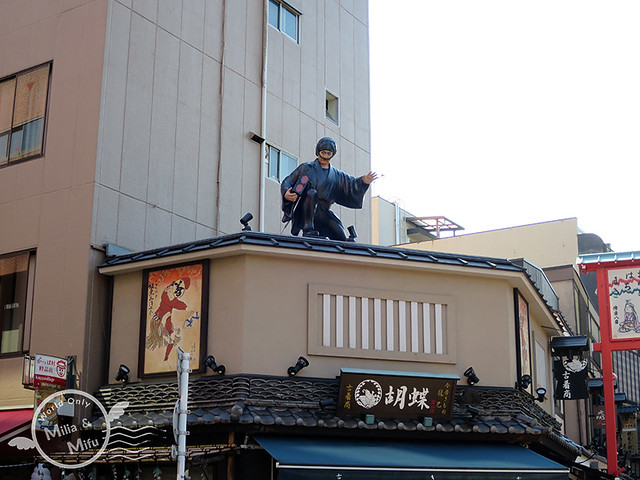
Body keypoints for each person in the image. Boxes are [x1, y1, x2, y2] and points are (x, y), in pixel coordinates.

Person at [281, 137, 377, 241]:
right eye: (323, 152)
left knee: (341, 237)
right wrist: (286, 193)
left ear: (332, 155)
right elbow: (288, 181)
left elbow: (351, 184)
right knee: (311, 193)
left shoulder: (336, 175)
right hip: (307, 209)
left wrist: (363, 181)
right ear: (318, 152)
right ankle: (308, 228)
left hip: (324, 211)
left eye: (328, 153)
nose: (325, 156)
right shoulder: (306, 168)